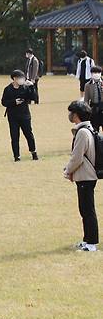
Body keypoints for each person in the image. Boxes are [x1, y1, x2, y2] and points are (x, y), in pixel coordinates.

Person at [63, 101, 99, 252]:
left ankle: (91, 243)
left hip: (86, 176)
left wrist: (67, 170)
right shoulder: (87, 128)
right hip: (85, 175)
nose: (70, 115)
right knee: (84, 209)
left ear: (76, 115)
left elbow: (77, 157)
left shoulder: (83, 132)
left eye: (71, 112)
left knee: (87, 210)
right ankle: (87, 240)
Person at [1, 70, 39, 162]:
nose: (22, 80)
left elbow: (34, 98)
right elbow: (3, 102)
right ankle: (16, 156)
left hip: (25, 115)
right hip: (13, 116)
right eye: (20, 78)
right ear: (14, 79)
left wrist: (32, 87)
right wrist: (14, 102)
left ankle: (33, 152)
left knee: (29, 134)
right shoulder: (8, 89)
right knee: (14, 136)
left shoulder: (25, 88)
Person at [84, 65, 103, 131]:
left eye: (98, 73)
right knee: (95, 128)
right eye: (94, 73)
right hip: (94, 108)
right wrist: (86, 110)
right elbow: (86, 99)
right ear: (91, 74)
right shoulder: (88, 85)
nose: (96, 74)